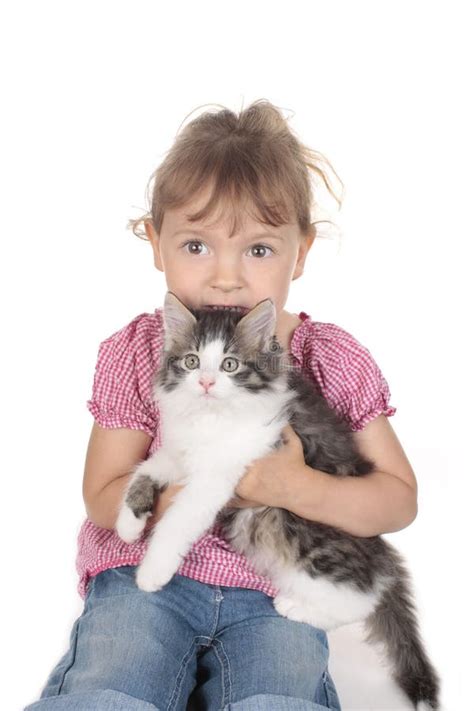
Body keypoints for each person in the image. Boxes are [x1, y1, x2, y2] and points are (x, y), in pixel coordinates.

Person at [24, 99, 418, 711]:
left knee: (279, 697)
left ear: (302, 252)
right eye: (196, 245)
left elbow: (397, 501)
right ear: (156, 244)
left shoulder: (333, 358)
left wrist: (290, 486)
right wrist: (204, 488)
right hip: (142, 580)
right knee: (110, 684)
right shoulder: (134, 351)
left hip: (272, 587)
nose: (226, 277)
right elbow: (104, 496)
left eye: (259, 250)